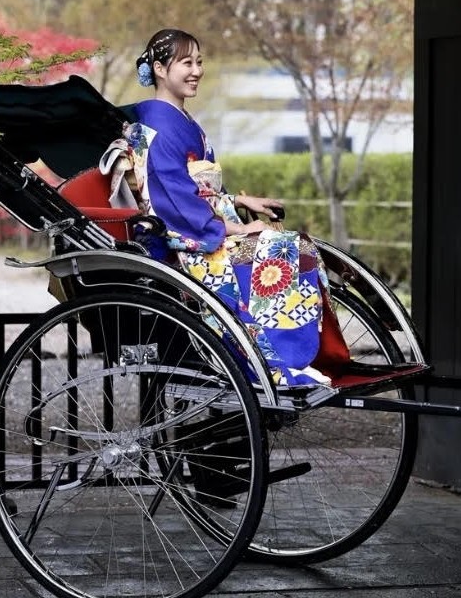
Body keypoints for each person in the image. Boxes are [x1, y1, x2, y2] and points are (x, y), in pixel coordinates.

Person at [130, 27, 333, 387]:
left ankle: (296, 355)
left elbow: (197, 191)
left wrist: (238, 201)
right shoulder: (156, 126)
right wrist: (238, 228)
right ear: (160, 69)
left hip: (204, 227)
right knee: (281, 250)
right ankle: (275, 363)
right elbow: (173, 202)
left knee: (293, 245)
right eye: (186, 63)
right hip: (186, 244)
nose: (197, 71)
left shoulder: (182, 120)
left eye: (199, 61)